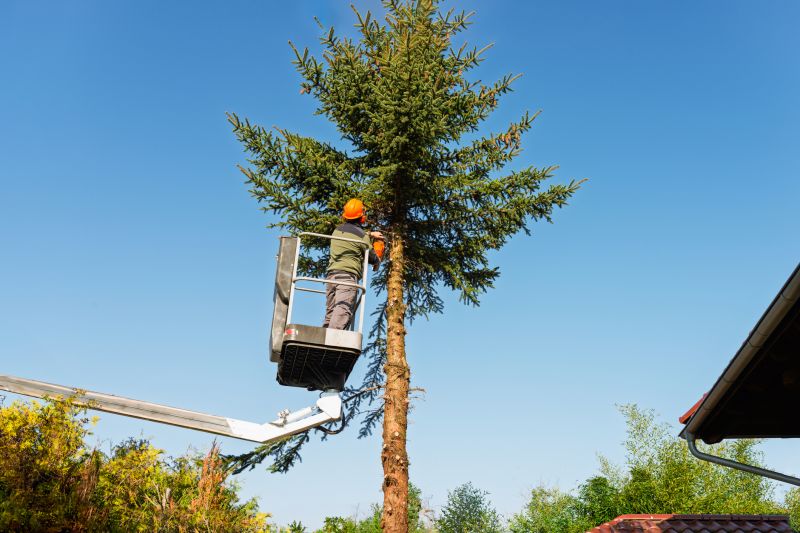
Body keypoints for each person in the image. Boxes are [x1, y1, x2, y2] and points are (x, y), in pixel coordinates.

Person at [323, 199, 384, 330]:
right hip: (347, 277)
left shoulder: (337, 231)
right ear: (361, 217)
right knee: (343, 309)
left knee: (331, 312)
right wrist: (378, 256)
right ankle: (331, 341)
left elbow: (354, 235)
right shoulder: (362, 237)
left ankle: (323, 339)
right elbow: (372, 257)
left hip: (331, 276)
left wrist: (370, 234)